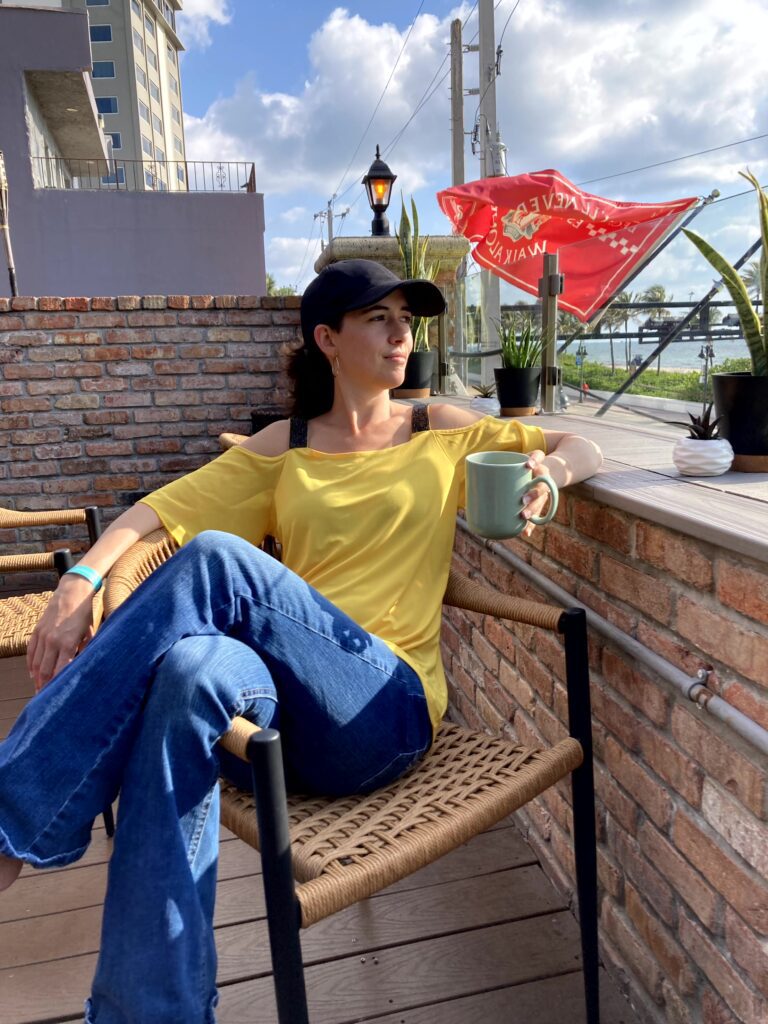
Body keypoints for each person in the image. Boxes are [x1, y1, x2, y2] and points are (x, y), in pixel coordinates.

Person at [0, 259, 602, 1023]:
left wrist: (550, 474)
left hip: (384, 713)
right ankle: (149, 1013)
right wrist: (79, 581)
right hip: (278, 732)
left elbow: (582, 444)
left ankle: (11, 821)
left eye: (406, 320)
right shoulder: (283, 447)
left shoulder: (437, 432)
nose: (401, 335)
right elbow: (155, 512)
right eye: (378, 319)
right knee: (189, 671)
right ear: (327, 339)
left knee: (216, 562)